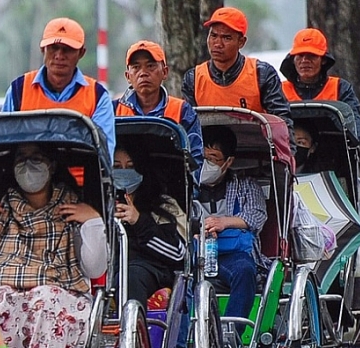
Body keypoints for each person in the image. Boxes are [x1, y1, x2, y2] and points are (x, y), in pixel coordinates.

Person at [0, 143, 107, 348]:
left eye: (36, 158)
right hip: (8, 295)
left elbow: (95, 269)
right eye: (21, 158)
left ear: (52, 165)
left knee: (46, 298)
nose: (28, 165)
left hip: (62, 298)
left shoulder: (74, 211)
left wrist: (93, 222)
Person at [181, 6, 294, 151]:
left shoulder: (262, 74)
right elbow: (189, 128)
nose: (217, 44)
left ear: (241, 42)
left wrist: (288, 162)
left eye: (226, 38)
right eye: (213, 35)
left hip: (256, 156)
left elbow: (282, 122)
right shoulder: (193, 78)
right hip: (211, 158)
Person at [3, 17, 116, 161]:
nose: (59, 56)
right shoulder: (18, 90)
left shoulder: (97, 96)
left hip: (83, 181)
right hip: (27, 177)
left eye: (67, 49)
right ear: (42, 49)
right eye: (53, 48)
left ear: (81, 53)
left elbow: (105, 156)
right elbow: (4, 146)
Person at [198, 126, 267, 327]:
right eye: (202, 157)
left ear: (228, 161)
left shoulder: (245, 186)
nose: (205, 163)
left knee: (245, 271)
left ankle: (231, 334)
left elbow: (257, 216)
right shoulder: (185, 185)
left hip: (231, 254)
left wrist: (224, 222)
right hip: (194, 252)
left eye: (212, 158)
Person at [113, 145, 187, 305]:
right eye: (117, 167)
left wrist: (138, 221)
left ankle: (133, 329)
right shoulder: (96, 205)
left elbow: (178, 254)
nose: (124, 171)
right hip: (108, 270)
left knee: (130, 276)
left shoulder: (164, 205)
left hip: (148, 270)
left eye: (131, 167)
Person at [114, 40, 204, 169]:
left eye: (150, 66)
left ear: (165, 72)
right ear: (128, 76)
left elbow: (195, 161)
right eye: (136, 67)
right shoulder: (113, 110)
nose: (143, 73)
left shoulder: (182, 110)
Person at [279, 28, 360, 146]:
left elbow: (355, 128)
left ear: (323, 60)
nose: (305, 60)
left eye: (311, 56)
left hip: (333, 157)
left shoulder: (340, 88)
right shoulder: (280, 89)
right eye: (300, 55)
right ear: (293, 60)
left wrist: (357, 144)